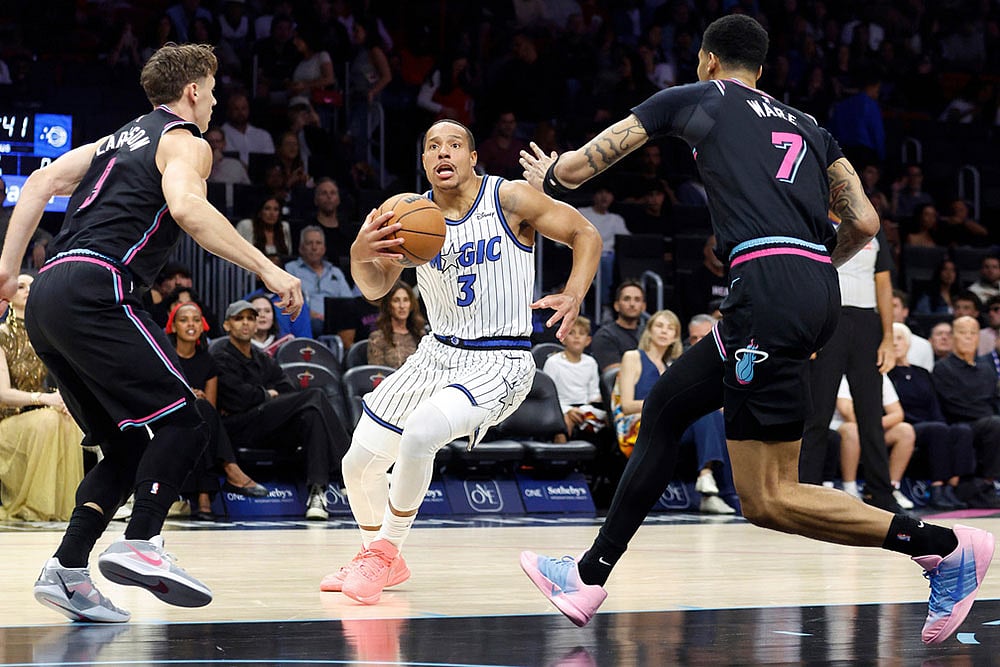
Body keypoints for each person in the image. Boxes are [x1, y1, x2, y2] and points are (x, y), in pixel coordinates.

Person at [516, 14, 992, 645]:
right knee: (666, 404)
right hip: (813, 285)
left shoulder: (694, 99)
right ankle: (588, 573)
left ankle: (944, 547)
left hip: (765, 289)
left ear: (709, 60)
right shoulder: (810, 126)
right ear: (761, 71)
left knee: (769, 498)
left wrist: (546, 176)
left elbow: (579, 169)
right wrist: (806, 266)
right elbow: (869, 224)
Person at [2, 43, 304, 623]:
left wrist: (7, 271)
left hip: (47, 297)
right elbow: (189, 211)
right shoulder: (186, 142)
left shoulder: (116, 140)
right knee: (189, 421)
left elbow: (39, 182)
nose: (214, 102)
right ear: (193, 91)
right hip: (99, 286)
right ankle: (142, 542)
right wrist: (267, 268)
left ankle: (66, 569)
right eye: (213, 91)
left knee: (126, 443)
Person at [320, 118, 600, 604]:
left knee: (422, 432)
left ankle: (385, 550)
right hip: (437, 354)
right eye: (432, 146)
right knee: (357, 464)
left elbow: (585, 234)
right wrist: (358, 252)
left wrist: (574, 292)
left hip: (501, 358)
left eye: (454, 144)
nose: (442, 152)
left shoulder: (510, 198)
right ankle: (380, 558)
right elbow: (374, 289)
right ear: (425, 162)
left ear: (472, 158)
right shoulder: (405, 214)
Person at [212, 300, 349, 521]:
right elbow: (237, 399)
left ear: (257, 325)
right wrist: (267, 394)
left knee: (311, 414)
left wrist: (262, 396)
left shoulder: (261, 358)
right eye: (239, 319)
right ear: (227, 325)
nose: (245, 324)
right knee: (314, 396)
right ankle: (348, 471)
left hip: (266, 424)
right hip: (238, 428)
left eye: (250, 318)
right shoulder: (220, 355)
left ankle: (317, 493)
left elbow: (286, 388)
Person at [799, 217, 900, 513]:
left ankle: (880, 493)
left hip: (867, 323)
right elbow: (808, 277)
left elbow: (883, 283)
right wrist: (809, 329)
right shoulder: (815, 224)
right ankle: (808, 491)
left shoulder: (872, 226)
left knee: (871, 413)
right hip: (829, 319)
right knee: (818, 412)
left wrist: (888, 338)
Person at [611, 309, 736, 514]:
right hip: (637, 425)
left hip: (668, 423)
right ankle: (708, 481)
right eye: (659, 326)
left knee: (712, 412)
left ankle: (716, 486)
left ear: (676, 336)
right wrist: (666, 405)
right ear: (649, 331)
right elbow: (626, 405)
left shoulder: (674, 365)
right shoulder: (633, 357)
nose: (664, 331)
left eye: (670, 328)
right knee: (699, 410)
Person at [165, 300, 267, 521]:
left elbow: (210, 405)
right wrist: (188, 396)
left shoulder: (208, 360)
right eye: (183, 320)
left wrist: (197, 401)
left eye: (195, 320)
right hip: (166, 418)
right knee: (199, 412)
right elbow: (158, 395)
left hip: (199, 422)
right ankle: (224, 476)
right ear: (173, 327)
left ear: (203, 327)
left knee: (202, 415)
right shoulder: (164, 357)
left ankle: (205, 497)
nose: (190, 325)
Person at [0, 273, 83, 521]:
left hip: (33, 418)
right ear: (8, 294)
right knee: (49, 419)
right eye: (21, 285)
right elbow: (2, 394)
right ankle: (37, 506)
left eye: (32, 286)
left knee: (66, 420)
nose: (27, 290)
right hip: (5, 420)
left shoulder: (45, 335)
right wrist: (47, 399)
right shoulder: (2, 334)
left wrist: (64, 401)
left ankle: (63, 507)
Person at [887, 323, 974, 510]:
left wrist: (944, 424)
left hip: (931, 423)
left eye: (900, 338)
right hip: (905, 425)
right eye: (891, 338)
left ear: (909, 343)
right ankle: (936, 488)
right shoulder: (885, 373)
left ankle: (953, 488)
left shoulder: (922, 373)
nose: (895, 343)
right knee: (938, 429)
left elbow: (934, 404)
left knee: (961, 430)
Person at [931, 316, 1000, 488]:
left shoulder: (986, 368)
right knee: (995, 423)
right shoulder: (943, 368)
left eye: (973, 333)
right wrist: (988, 413)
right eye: (963, 333)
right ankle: (989, 482)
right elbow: (952, 404)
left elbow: (995, 399)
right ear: (953, 337)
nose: (968, 337)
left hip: (988, 419)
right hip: (961, 424)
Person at [830, 375, 915, 509]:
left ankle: (890, 488)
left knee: (905, 430)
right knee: (853, 430)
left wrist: (873, 428)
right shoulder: (842, 376)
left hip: (871, 428)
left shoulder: (880, 376)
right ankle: (850, 488)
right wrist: (871, 427)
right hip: (842, 427)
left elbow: (897, 413)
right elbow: (848, 413)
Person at [284, 226, 356, 337]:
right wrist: (310, 314)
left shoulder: (335, 272)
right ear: (301, 248)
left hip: (336, 321)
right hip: (307, 319)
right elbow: (288, 302)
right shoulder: (291, 269)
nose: (314, 247)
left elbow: (348, 301)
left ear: (324, 248)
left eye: (318, 243)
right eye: (309, 243)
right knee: (316, 324)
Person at [541, 316, 605, 438]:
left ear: (588, 340)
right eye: (571, 333)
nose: (577, 337)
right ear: (563, 338)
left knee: (610, 419)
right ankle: (561, 456)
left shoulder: (591, 362)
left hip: (584, 408)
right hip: (560, 408)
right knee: (564, 423)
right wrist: (568, 410)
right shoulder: (553, 362)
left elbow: (593, 394)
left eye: (581, 334)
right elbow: (548, 397)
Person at [577, 186, 629, 304]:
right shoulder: (582, 213)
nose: (604, 196)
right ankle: (604, 304)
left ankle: (608, 304)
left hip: (609, 257)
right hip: (585, 254)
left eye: (608, 193)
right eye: (601, 192)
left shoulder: (616, 219)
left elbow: (628, 243)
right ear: (594, 196)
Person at [367, 280, 426, 370]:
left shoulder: (421, 335)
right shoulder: (377, 338)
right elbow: (378, 374)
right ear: (388, 305)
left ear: (411, 304)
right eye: (396, 300)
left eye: (406, 300)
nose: (402, 306)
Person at [590, 280, 647, 372]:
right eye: (626, 299)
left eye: (637, 300)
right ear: (616, 305)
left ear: (643, 307)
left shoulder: (648, 334)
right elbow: (613, 374)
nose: (632, 304)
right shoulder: (605, 335)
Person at [220, 91, 276, 167]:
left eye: (243, 108)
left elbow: (270, 161)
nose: (240, 113)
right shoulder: (221, 134)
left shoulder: (263, 135)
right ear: (229, 111)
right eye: (236, 109)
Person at [236, 196, 294, 266]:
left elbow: (288, 257)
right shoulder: (246, 226)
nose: (272, 213)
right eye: (267, 209)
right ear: (260, 212)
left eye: (276, 209)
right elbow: (236, 254)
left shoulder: (284, 228)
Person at [891, 289, 934, 370]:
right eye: (885, 306)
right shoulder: (870, 342)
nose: (889, 310)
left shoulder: (923, 345)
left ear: (905, 311)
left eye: (894, 306)